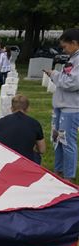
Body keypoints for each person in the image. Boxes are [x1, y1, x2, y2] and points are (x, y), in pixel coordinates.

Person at [44, 28, 79, 182]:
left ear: (74, 43)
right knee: (57, 139)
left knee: (68, 142)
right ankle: (58, 171)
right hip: (61, 104)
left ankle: (68, 176)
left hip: (71, 107)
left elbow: (72, 83)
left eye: (65, 46)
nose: (63, 50)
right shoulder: (73, 58)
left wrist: (54, 74)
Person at [0, 94, 46, 164]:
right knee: (37, 155)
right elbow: (42, 149)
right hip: (26, 161)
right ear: (28, 108)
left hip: (3, 160)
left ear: (11, 108)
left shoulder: (1, 122)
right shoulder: (35, 123)